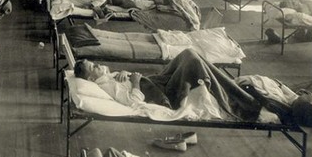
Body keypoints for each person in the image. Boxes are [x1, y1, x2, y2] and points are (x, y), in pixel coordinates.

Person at [74, 49, 263, 121]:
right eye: (94, 67)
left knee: (188, 53)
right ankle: (245, 105)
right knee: (193, 62)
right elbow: (132, 102)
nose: (98, 65)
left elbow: (114, 75)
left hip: (156, 82)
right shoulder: (107, 87)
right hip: (162, 94)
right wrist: (135, 82)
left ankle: (233, 92)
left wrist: (123, 73)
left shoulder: (106, 77)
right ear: (91, 79)